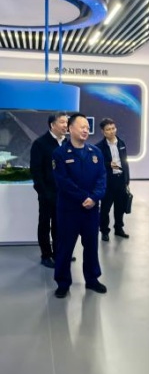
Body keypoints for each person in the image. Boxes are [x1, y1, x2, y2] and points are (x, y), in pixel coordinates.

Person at [52, 113, 107, 298]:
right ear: (70, 128)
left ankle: (92, 279)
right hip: (69, 210)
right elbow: (63, 182)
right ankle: (62, 283)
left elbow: (102, 178)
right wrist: (85, 197)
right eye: (82, 126)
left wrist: (95, 198)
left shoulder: (95, 152)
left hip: (91, 210)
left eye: (87, 127)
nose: (85, 130)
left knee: (91, 246)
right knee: (65, 247)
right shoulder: (60, 154)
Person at [29, 112, 69, 268]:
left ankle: (59, 253)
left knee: (60, 224)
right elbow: (36, 171)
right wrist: (44, 193)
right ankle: (46, 255)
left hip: (64, 193)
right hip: (47, 193)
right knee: (45, 224)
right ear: (52, 125)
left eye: (67, 122)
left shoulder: (67, 143)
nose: (66, 125)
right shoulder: (40, 144)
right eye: (62, 122)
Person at [96, 118, 131, 241]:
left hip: (120, 179)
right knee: (105, 208)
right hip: (108, 182)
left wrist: (127, 179)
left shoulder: (121, 143)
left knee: (120, 207)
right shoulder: (99, 147)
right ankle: (104, 231)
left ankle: (119, 228)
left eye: (113, 128)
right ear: (103, 131)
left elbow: (125, 163)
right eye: (108, 129)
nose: (111, 131)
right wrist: (108, 165)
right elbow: (98, 164)